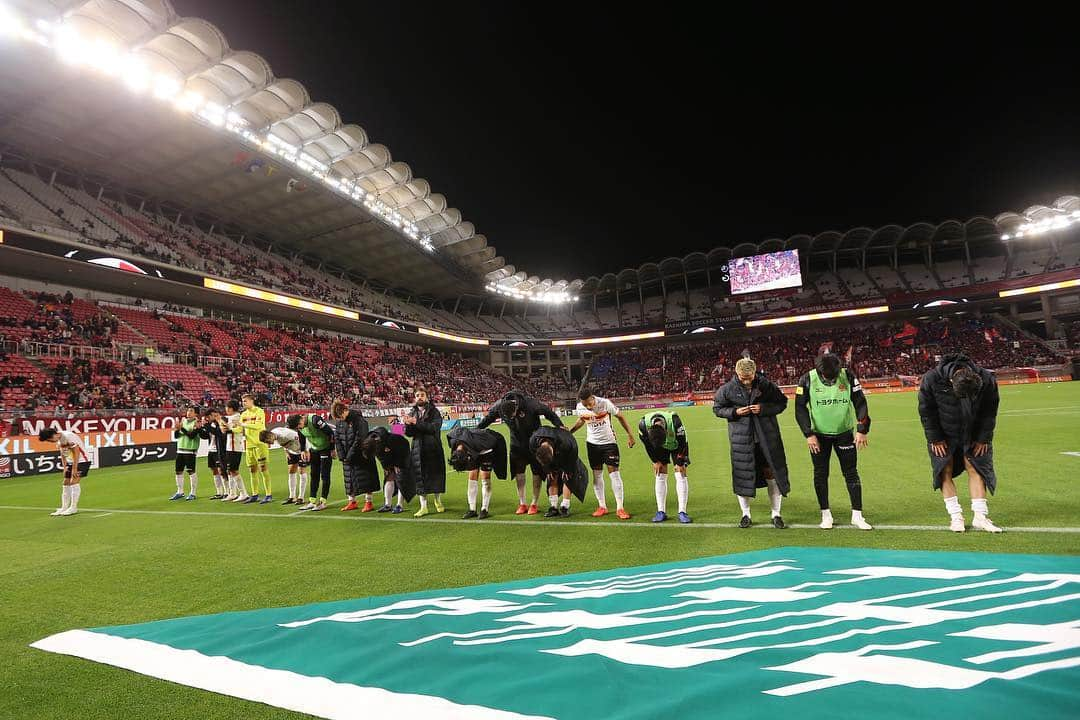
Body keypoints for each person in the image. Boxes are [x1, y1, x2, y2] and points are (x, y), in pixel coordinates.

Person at [918, 353, 1003, 533]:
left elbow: (990, 410)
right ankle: (956, 517)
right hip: (943, 434)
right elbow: (926, 411)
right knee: (944, 470)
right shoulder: (932, 379)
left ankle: (980, 517)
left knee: (977, 467)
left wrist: (983, 438)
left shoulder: (986, 378)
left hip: (974, 432)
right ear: (951, 383)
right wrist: (935, 438)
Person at [794, 352, 873, 530]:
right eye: (827, 377)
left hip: (844, 433)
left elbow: (860, 402)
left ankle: (857, 515)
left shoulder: (848, 376)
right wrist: (808, 434)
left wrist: (862, 429)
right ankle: (826, 514)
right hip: (818, 436)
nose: (831, 379)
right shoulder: (807, 379)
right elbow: (800, 408)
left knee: (851, 473)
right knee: (820, 474)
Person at [713, 357, 790, 529]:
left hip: (767, 439)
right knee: (743, 477)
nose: (746, 380)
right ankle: (745, 514)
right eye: (743, 377)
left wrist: (764, 409)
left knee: (772, 474)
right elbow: (717, 409)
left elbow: (782, 403)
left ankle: (776, 514)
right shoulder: (727, 389)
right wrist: (735, 412)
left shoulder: (766, 386)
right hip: (741, 441)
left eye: (749, 377)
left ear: (755, 372)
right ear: (736, 373)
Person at [477, 390, 565, 514]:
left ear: (517, 407)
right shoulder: (498, 406)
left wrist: (559, 425)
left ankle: (534, 503)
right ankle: (522, 503)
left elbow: (548, 412)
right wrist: (475, 430)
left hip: (534, 444)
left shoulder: (530, 404)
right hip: (516, 445)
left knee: (537, 473)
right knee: (519, 474)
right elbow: (488, 419)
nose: (512, 418)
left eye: (513, 415)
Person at [570, 387, 635, 519]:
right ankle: (602, 506)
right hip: (592, 444)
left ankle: (620, 508)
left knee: (614, 474)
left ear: (593, 397)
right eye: (585, 404)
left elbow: (620, 417)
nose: (588, 406)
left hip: (609, 443)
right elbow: (582, 419)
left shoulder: (605, 403)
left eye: (590, 403)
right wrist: (570, 432)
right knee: (597, 475)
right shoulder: (580, 407)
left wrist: (630, 435)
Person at [637, 410, 691, 523]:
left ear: (666, 431)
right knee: (660, 471)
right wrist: (655, 460)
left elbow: (683, 442)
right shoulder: (643, 425)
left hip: (677, 445)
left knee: (680, 472)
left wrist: (681, 462)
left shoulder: (675, 422)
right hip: (656, 445)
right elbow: (647, 445)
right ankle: (661, 511)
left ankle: (682, 511)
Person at [446, 426, 508, 519]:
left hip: (486, 450)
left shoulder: (483, 441)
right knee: (472, 476)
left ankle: (484, 509)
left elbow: (494, 442)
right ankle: (472, 509)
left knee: (485, 477)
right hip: (470, 448)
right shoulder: (454, 442)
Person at [404, 387, 446, 517]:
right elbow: (409, 434)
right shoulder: (412, 412)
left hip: (433, 448)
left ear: (426, 397)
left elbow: (434, 428)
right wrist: (407, 425)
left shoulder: (434, 412)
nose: (420, 397)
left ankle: (437, 500)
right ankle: (423, 507)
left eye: (422, 395)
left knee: (436, 475)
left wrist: (416, 422)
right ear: (414, 398)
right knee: (419, 477)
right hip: (417, 449)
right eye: (417, 395)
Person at [530, 425, 589, 517]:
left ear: (552, 451)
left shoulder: (566, 442)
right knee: (551, 477)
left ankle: (565, 507)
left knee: (567, 477)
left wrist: (568, 469)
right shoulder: (533, 441)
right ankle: (553, 507)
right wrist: (548, 469)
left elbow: (574, 450)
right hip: (548, 455)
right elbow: (536, 456)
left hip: (567, 455)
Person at [332, 400, 379, 512]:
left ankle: (369, 502)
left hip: (361, 455)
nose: (340, 419)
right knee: (349, 480)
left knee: (366, 479)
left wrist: (350, 454)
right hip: (347, 456)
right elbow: (337, 438)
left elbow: (360, 439)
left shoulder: (359, 420)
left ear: (345, 410)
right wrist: (342, 454)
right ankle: (352, 502)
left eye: (340, 416)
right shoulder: (340, 422)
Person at [361, 425, 413, 513]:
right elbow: (380, 457)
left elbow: (401, 450)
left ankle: (399, 505)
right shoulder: (371, 443)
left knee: (401, 478)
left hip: (402, 451)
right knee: (389, 477)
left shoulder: (392, 440)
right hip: (389, 455)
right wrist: (386, 467)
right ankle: (387, 505)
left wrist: (398, 464)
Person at [40, 427, 90, 516]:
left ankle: (73, 507)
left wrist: (75, 468)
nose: (50, 442)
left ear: (54, 435)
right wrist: (65, 467)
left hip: (82, 460)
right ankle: (64, 507)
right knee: (66, 482)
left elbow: (76, 452)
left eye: (49, 440)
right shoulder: (59, 440)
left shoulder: (68, 436)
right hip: (71, 462)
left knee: (73, 481)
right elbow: (63, 453)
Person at [290, 413, 335, 511]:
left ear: (301, 419)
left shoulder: (315, 420)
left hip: (325, 449)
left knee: (325, 475)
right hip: (314, 449)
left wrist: (332, 449)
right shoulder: (299, 426)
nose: (299, 428)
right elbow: (301, 436)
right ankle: (312, 501)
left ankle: (323, 502)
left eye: (299, 426)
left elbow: (330, 433)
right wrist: (303, 450)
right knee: (314, 475)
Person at [259, 423, 308, 505]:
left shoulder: (287, 434)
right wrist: (286, 452)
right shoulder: (275, 434)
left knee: (301, 470)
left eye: (268, 442)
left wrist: (305, 451)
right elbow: (284, 443)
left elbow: (302, 438)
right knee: (291, 470)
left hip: (301, 450)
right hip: (292, 451)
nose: (269, 444)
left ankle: (301, 497)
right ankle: (292, 497)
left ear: (269, 436)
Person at [239, 394, 272, 504]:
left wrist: (243, 424)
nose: (243, 403)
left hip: (260, 445)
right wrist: (229, 428)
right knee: (252, 470)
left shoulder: (259, 411)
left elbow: (258, 426)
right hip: (249, 446)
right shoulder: (243, 414)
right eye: (242, 401)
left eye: (245, 401)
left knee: (263, 469)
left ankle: (268, 494)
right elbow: (239, 429)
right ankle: (255, 494)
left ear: (252, 401)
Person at [170, 406, 201, 501]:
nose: (188, 412)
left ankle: (193, 493)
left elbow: (192, 436)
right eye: (188, 410)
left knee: (191, 471)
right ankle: (180, 492)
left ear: (196, 413)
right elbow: (176, 436)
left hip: (190, 450)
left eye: (191, 411)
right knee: (178, 471)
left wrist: (182, 429)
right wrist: (177, 429)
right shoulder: (183, 421)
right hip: (180, 449)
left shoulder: (197, 423)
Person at [223, 399, 249, 503]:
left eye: (227, 407)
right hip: (230, 447)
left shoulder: (237, 417)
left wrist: (226, 427)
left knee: (234, 470)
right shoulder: (231, 418)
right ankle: (232, 493)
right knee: (230, 470)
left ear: (230, 408)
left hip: (235, 447)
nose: (226, 409)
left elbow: (237, 429)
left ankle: (243, 493)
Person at [199, 408, 228, 500]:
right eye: (209, 416)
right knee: (214, 471)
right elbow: (205, 436)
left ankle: (227, 492)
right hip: (211, 450)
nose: (210, 418)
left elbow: (218, 433)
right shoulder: (211, 424)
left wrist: (206, 425)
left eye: (211, 416)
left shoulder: (221, 422)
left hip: (219, 451)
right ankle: (219, 492)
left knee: (222, 471)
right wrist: (200, 429)